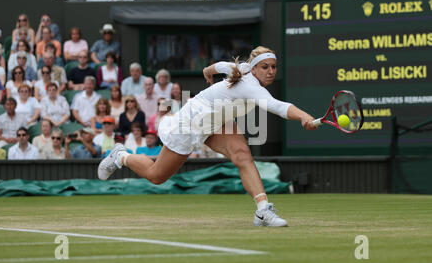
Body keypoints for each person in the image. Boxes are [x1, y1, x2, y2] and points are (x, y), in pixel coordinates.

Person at [98, 46, 317, 227]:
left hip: (217, 121)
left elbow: (221, 66)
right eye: (265, 67)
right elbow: (279, 106)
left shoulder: (240, 70)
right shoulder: (251, 86)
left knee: (242, 155)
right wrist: (304, 116)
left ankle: (262, 212)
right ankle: (120, 156)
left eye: (273, 67)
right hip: (192, 121)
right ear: (253, 67)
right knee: (157, 176)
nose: (270, 71)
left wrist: (208, 70)